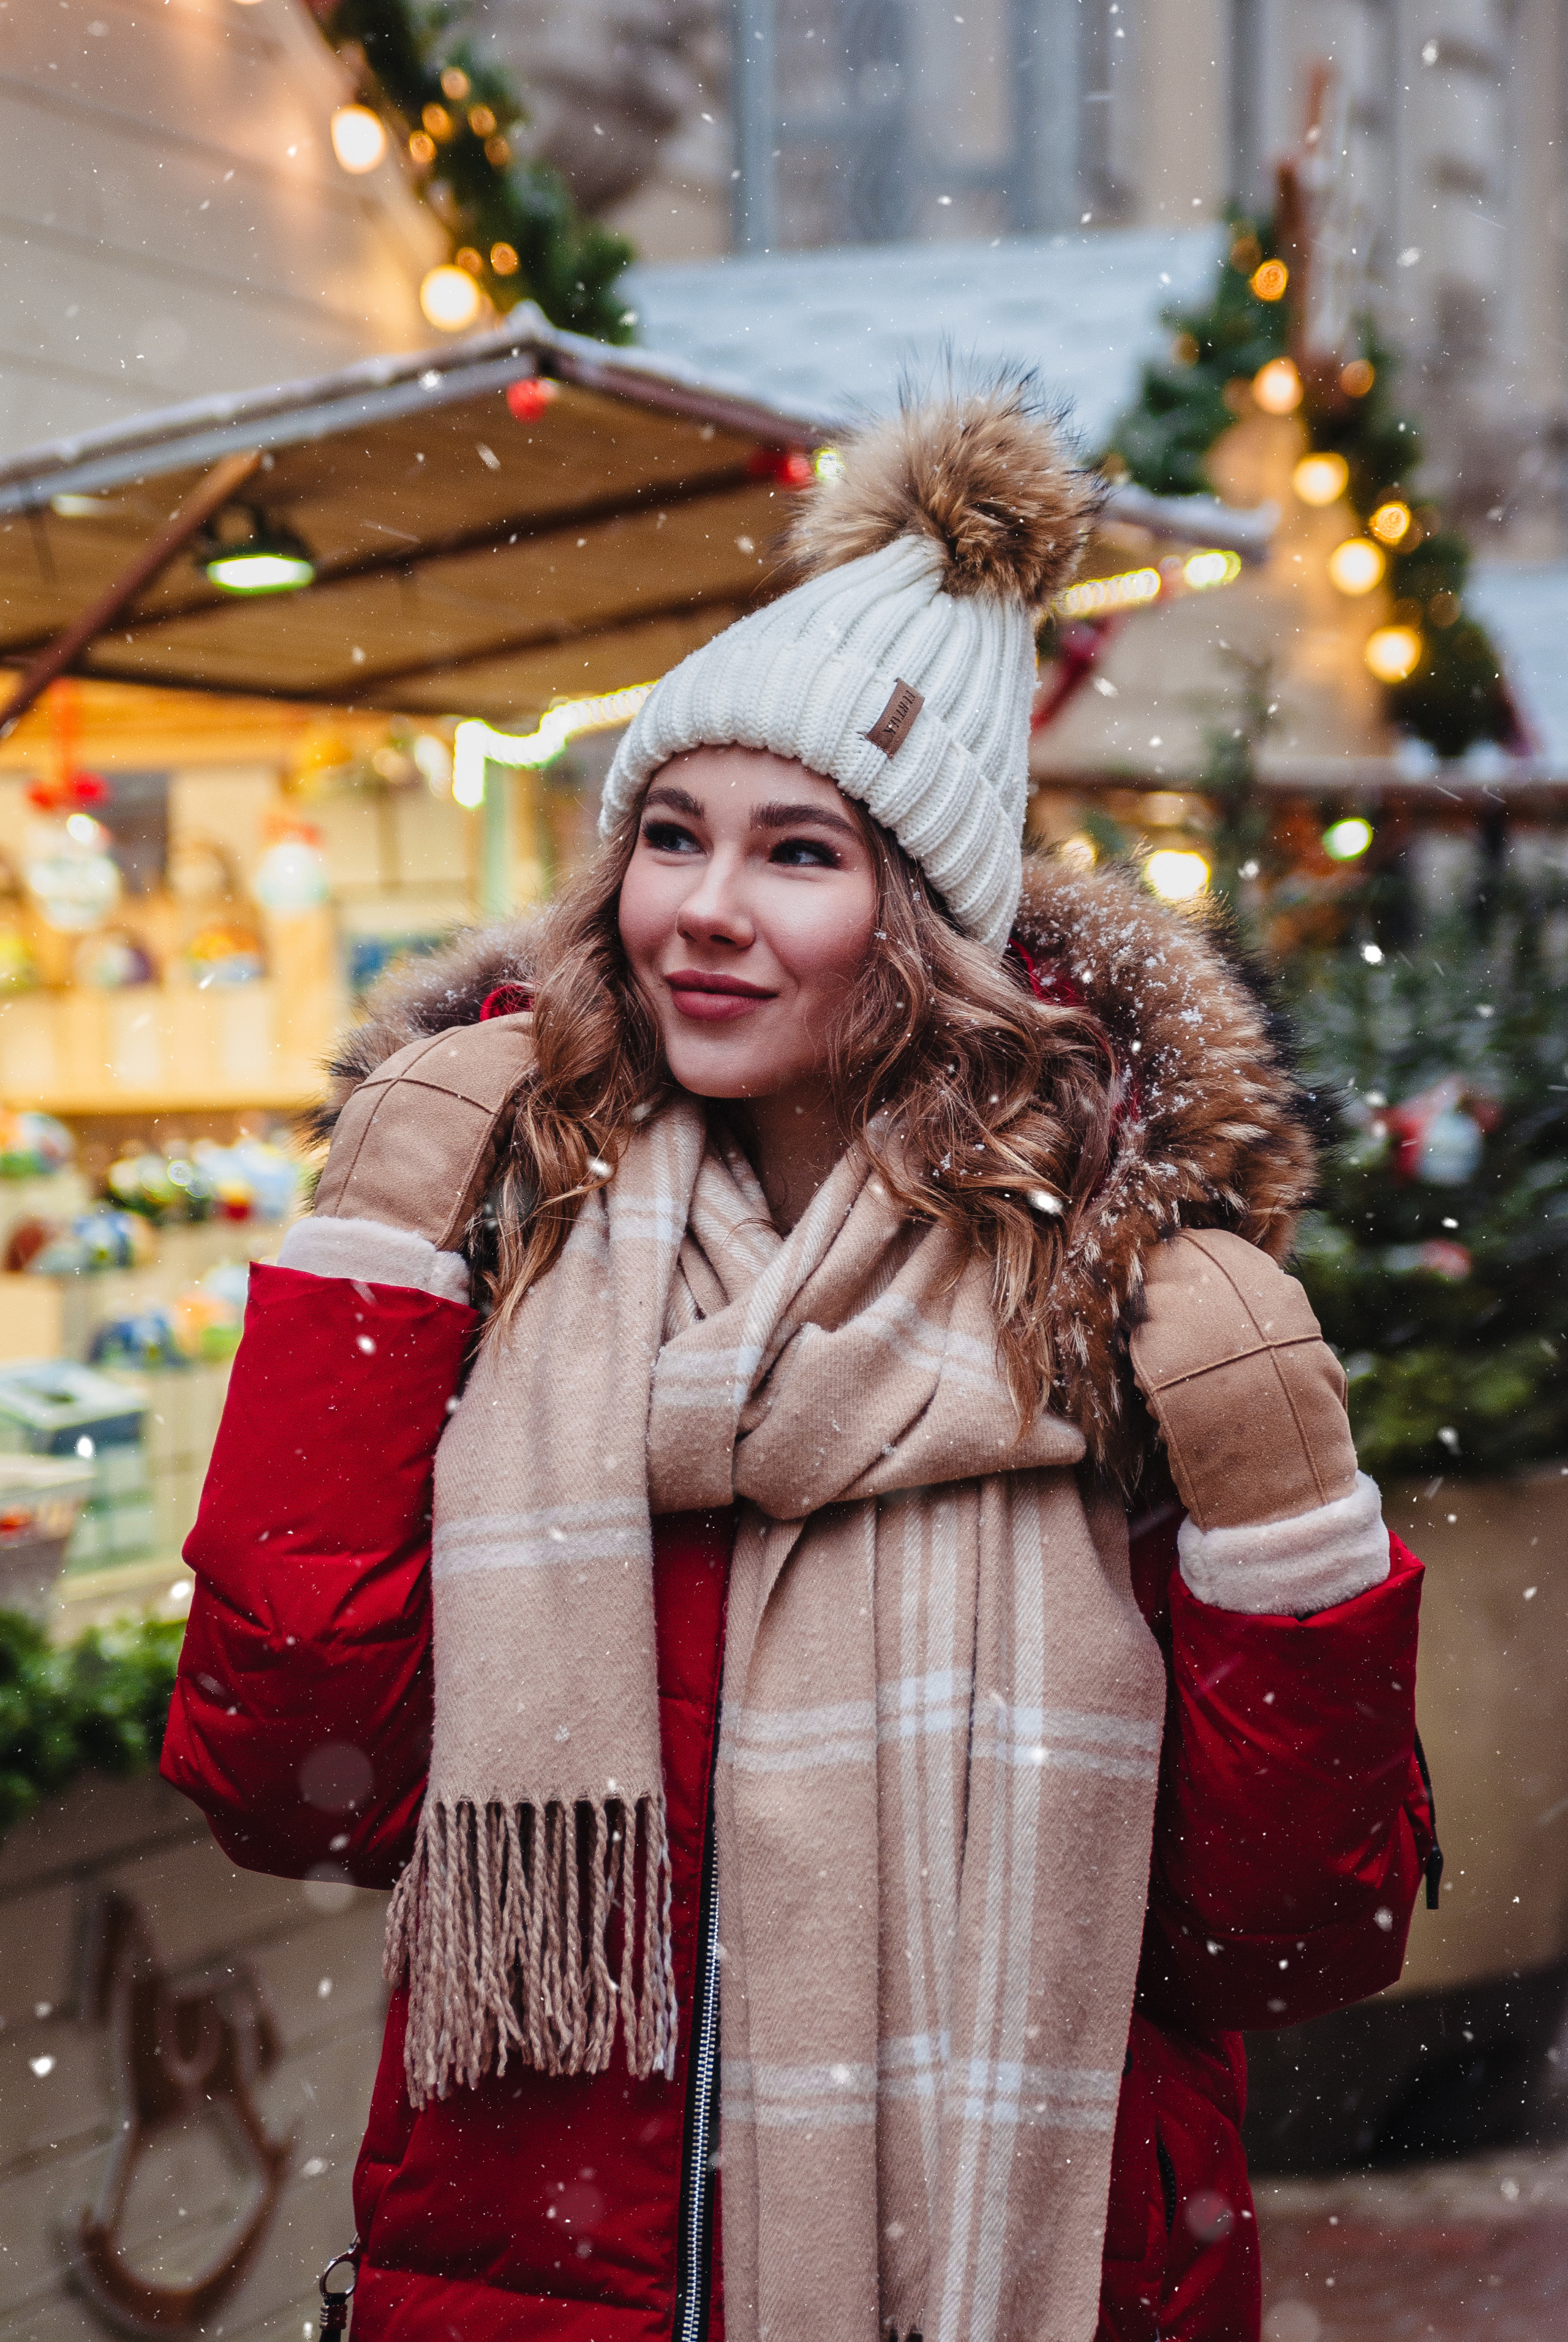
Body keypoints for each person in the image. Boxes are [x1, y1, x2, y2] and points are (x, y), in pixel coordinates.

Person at [162, 377, 1432, 2342]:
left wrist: (1281, 1521)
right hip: (552, 2284)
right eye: (670, 837)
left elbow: (1285, 1936)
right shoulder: (514, 1254)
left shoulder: (1120, 1320)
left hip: (1026, 2265)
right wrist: (374, 1257)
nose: (708, 915)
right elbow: (294, 1786)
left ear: (924, 924)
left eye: (799, 853)